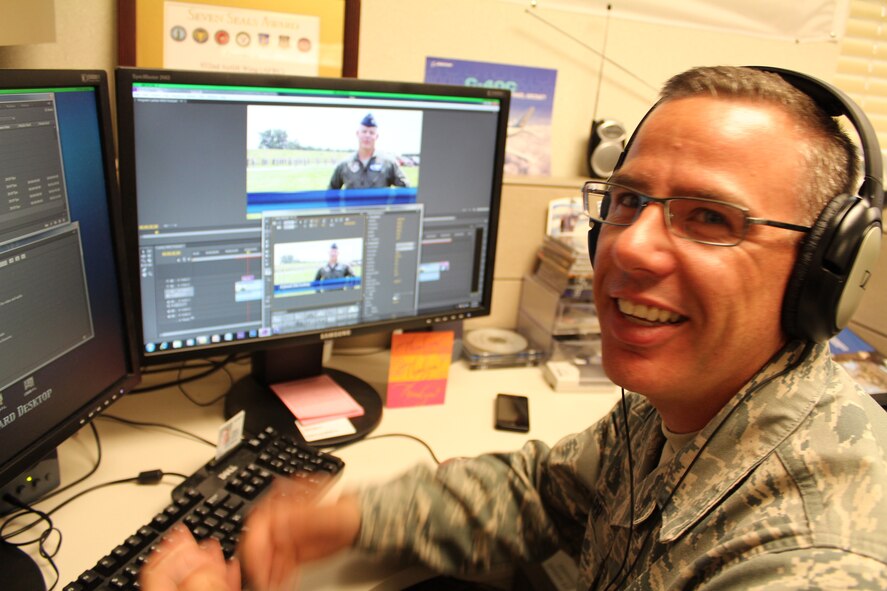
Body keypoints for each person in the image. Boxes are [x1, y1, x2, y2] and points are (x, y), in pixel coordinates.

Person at [142, 66, 887, 590]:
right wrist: (346, 519)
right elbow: (543, 491)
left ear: (827, 270)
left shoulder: (808, 557)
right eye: (627, 200)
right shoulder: (688, 406)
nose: (627, 244)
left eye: (710, 218)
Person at [328, 113, 410, 190]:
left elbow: (406, 189)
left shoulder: (388, 163)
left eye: (371, 133)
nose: (367, 136)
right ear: (357, 134)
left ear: (376, 136)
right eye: (364, 132)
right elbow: (331, 192)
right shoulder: (344, 164)